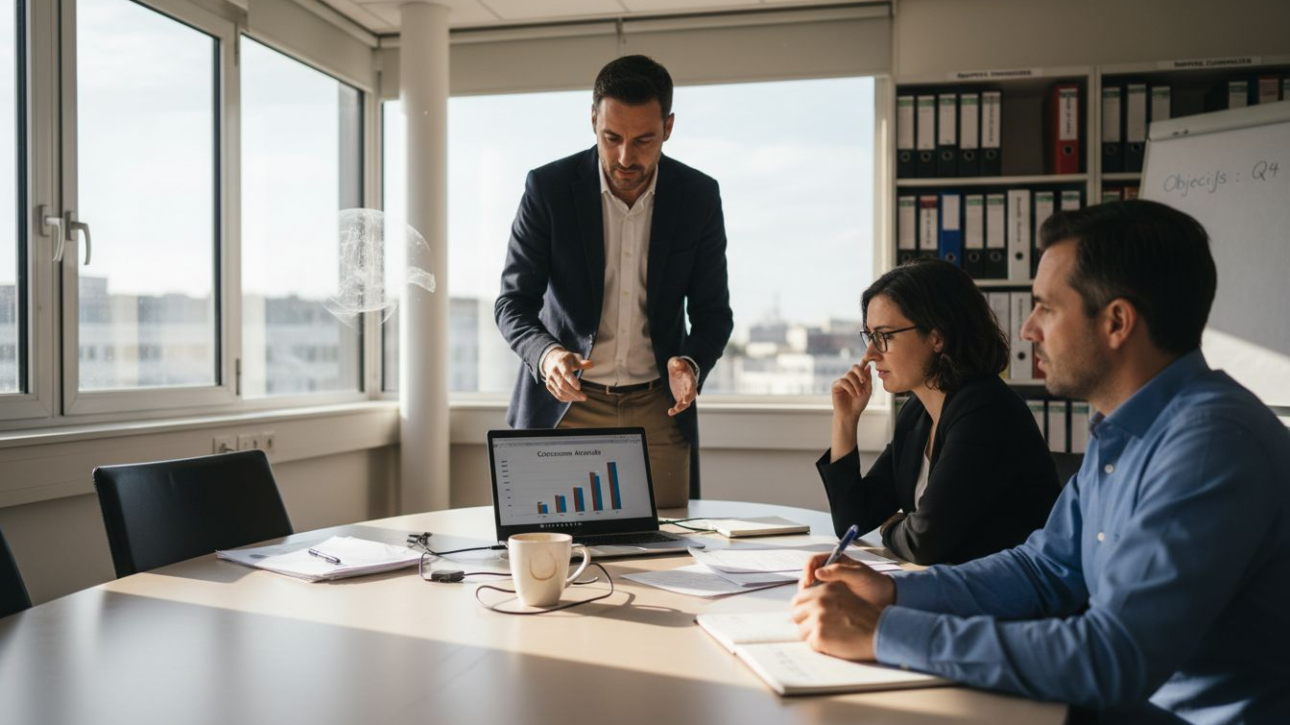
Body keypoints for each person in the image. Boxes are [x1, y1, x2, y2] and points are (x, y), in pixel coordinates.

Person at [792, 200, 1290, 725]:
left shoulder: (1209, 446)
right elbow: (1044, 568)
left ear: (1117, 321)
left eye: (1047, 308)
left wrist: (883, 632)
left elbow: (1112, 656)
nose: (1028, 329)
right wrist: (895, 589)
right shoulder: (1121, 428)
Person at [495, 55, 733, 508]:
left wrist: (692, 363)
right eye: (612, 138)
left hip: (658, 409)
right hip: (563, 406)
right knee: (549, 556)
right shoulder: (548, 189)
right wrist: (547, 356)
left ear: (668, 126)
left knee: (669, 555)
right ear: (592, 121)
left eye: (644, 139)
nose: (626, 157)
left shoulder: (698, 196)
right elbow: (512, 304)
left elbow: (713, 314)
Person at [818, 258, 1060, 565]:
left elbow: (924, 542)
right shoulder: (916, 414)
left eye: (885, 336)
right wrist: (845, 420)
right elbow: (852, 521)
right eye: (869, 336)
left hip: (1007, 602)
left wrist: (892, 526)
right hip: (954, 589)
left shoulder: (984, 411)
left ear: (937, 336)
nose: (870, 354)